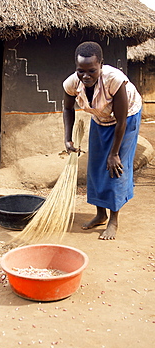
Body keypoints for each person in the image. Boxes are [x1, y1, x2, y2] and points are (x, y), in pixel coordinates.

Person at [63, 41, 142, 240]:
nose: (86, 76)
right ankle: (100, 214)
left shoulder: (115, 80)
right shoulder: (72, 83)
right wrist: (68, 139)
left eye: (92, 70)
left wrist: (114, 153)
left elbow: (121, 120)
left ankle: (113, 220)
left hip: (126, 118)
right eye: (81, 70)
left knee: (115, 167)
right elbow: (67, 109)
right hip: (101, 118)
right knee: (96, 165)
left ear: (101, 65)